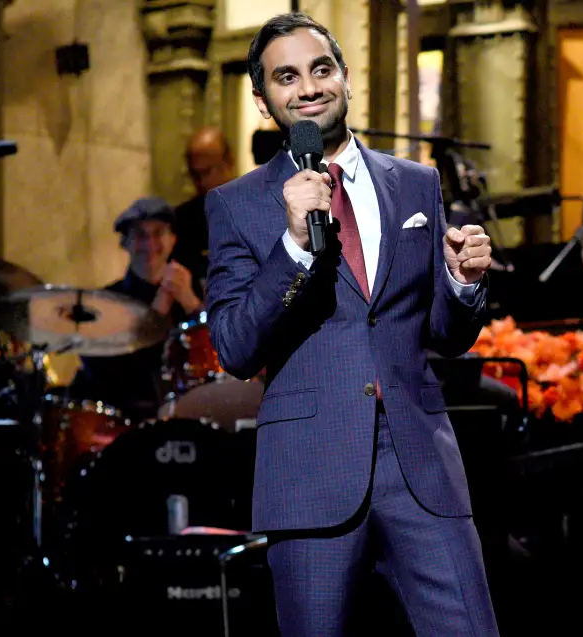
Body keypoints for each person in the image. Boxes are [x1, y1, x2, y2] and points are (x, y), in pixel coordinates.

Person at [205, 12, 499, 636]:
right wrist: (291, 246)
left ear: (344, 78)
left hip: (421, 465)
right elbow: (232, 346)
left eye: (321, 69)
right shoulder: (237, 205)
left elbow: (443, 335)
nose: (308, 87)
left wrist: (462, 282)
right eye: (286, 77)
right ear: (263, 100)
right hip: (310, 473)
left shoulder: (417, 185)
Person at [72, 196, 204, 421]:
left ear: (172, 239)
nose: (150, 245)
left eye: (158, 233)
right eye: (140, 235)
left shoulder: (193, 291)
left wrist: (193, 305)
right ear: (125, 243)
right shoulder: (103, 303)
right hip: (129, 424)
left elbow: (223, 354)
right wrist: (156, 314)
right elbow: (111, 380)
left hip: (191, 418)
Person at [173, 127, 235, 285]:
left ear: (229, 162)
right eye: (195, 174)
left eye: (207, 172)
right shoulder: (182, 220)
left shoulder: (259, 208)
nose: (201, 182)